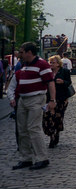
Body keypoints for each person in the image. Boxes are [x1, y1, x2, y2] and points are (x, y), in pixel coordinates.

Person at [9, 42, 56, 170]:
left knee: (33, 128)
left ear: (29, 52)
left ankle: (42, 158)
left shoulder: (42, 64)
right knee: (22, 129)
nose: (20, 54)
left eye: (22, 51)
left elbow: (50, 83)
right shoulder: (25, 65)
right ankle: (26, 158)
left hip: (36, 99)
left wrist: (52, 100)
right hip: (23, 100)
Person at [42, 55, 72, 148]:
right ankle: (51, 136)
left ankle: (57, 133)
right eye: (50, 62)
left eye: (53, 62)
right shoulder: (47, 72)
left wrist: (63, 82)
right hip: (48, 98)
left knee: (58, 118)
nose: (51, 64)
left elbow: (69, 83)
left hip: (61, 98)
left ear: (58, 64)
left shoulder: (65, 72)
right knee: (48, 118)